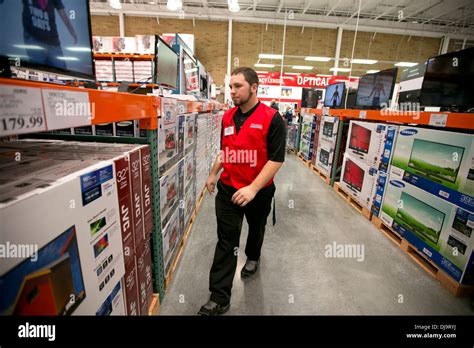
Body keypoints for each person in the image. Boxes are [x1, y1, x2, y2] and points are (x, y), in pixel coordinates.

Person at [198, 67, 287, 316]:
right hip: (229, 189)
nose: (233, 91)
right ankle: (219, 297)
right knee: (226, 240)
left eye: (238, 86)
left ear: (254, 87)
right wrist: (214, 173)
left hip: (258, 191)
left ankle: (253, 257)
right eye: (231, 87)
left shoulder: (272, 118)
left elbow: (276, 159)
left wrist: (253, 188)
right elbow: (226, 150)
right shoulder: (227, 117)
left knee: (256, 228)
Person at [18, 0, 78, 70]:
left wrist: (73, 32)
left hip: (52, 41)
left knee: (61, 72)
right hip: (33, 38)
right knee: (38, 72)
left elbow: (63, 13)